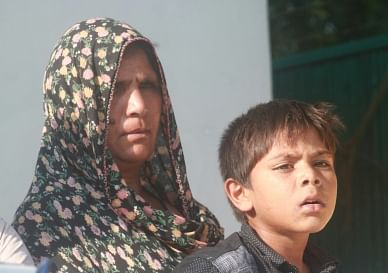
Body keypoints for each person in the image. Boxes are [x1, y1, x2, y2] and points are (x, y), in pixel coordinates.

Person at [12, 17, 223, 273]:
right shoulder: (48, 224)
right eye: (116, 90)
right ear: (75, 106)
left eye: (148, 86)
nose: (139, 107)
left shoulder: (192, 219)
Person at [174, 100, 344, 273]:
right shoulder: (211, 270)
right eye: (285, 166)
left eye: (321, 163)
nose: (311, 176)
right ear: (240, 194)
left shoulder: (322, 266)